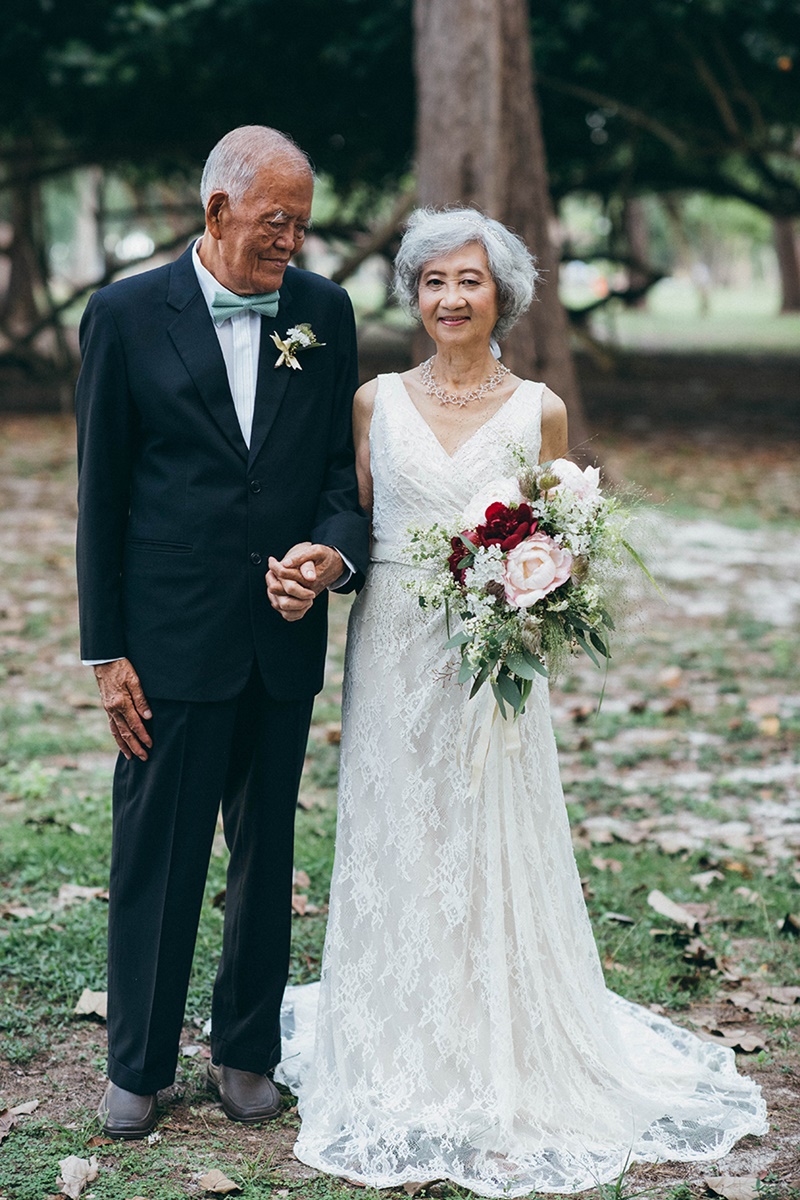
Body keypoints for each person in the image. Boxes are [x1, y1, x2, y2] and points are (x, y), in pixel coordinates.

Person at [276, 208, 766, 1196]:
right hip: (393, 648)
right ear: (413, 296)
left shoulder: (538, 410)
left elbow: (556, 537)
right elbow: (355, 521)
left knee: (487, 830)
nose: (450, 299)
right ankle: (397, 1029)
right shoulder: (373, 402)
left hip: (492, 656)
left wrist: (532, 601)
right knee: (398, 825)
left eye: (470, 281)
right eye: (432, 282)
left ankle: (493, 1039)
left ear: (503, 294)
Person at [74, 125, 369, 1140]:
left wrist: (330, 559)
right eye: (276, 221)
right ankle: (138, 1065)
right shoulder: (123, 315)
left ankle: (247, 1050)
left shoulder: (323, 312)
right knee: (157, 856)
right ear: (217, 211)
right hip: (167, 641)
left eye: (303, 225)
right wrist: (106, 652)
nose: (292, 241)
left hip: (279, 645)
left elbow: (339, 478)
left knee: (265, 852)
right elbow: (100, 495)